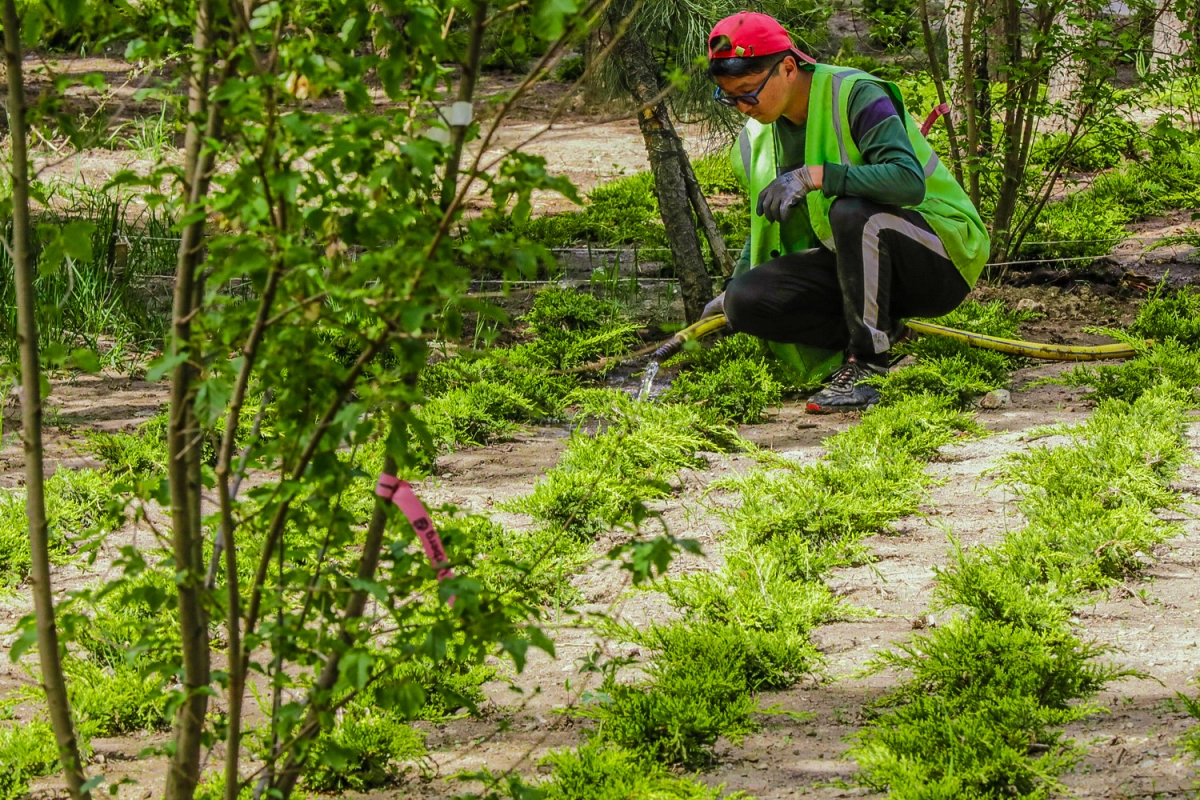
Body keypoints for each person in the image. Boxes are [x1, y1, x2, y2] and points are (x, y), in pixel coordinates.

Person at [703, 11, 989, 412]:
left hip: (939, 254)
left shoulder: (854, 94)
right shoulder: (755, 137)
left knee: (853, 212)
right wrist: (733, 289)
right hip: (857, 263)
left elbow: (908, 182)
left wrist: (815, 176)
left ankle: (868, 368)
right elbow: (764, 220)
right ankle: (882, 333)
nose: (741, 107)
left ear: (787, 67)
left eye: (748, 92)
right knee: (746, 298)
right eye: (728, 97)